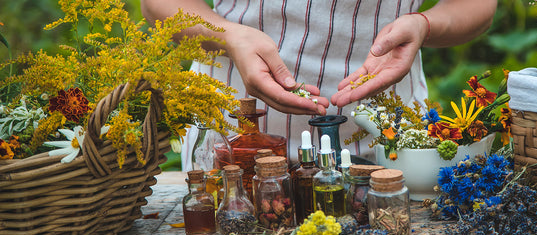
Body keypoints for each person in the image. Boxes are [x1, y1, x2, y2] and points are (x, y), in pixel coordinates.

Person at [141, 0, 497, 169]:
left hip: (388, 140)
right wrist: (229, 36)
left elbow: (476, 6)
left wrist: (423, 24)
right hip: (236, 142)